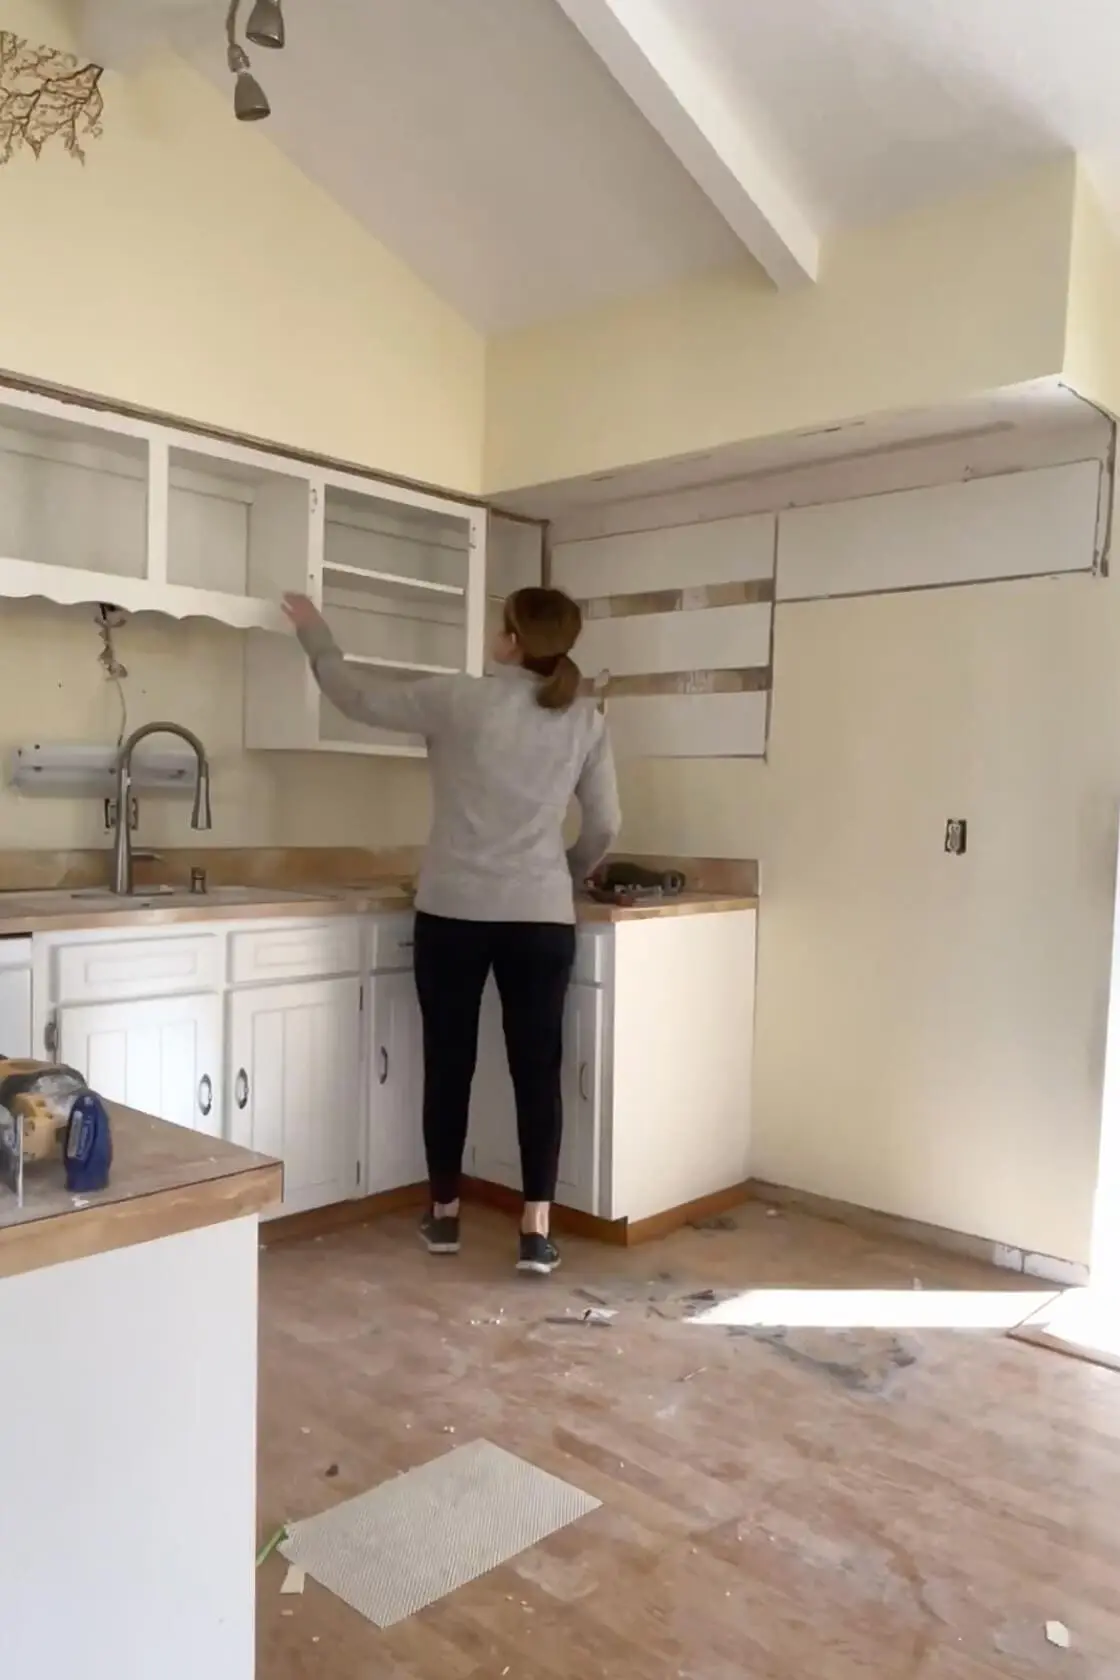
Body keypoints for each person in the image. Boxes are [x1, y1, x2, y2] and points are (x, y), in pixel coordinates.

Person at [282, 585, 621, 1274]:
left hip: (454, 912)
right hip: (540, 919)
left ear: (511, 641)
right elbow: (607, 827)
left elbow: (354, 694)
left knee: (449, 1062)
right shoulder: (585, 719)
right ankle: (535, 1229)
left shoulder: (458, 699)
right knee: (537, 1072)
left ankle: (443, 1217)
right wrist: (559, 872)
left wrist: (315, 632)